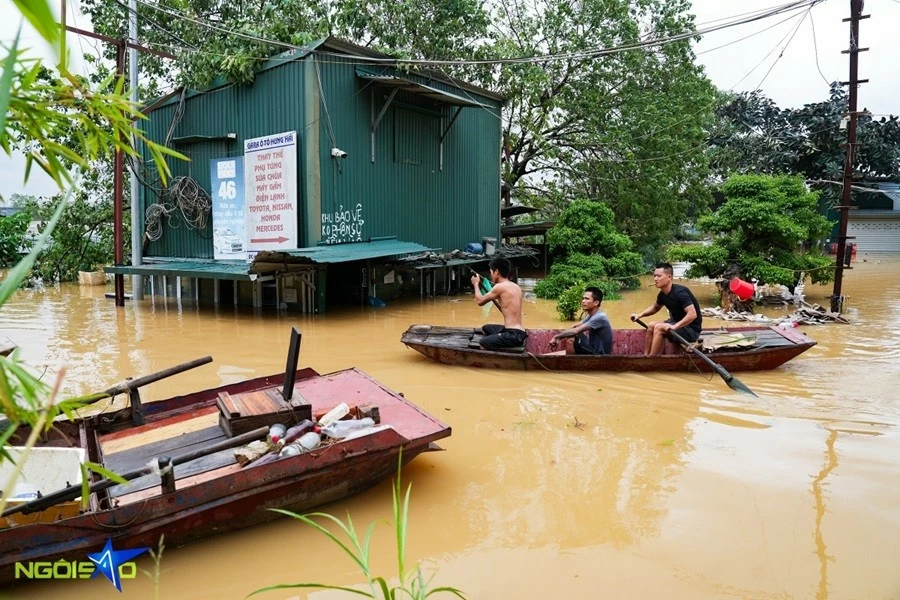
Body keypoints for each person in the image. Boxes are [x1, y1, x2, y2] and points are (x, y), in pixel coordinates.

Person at [630, 262, 702, 356]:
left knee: (659, 328)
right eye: (655, 276)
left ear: (669, 277)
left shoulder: (680, 292)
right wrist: (639, 315)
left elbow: (692, 314)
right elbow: (655, 308)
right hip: (676, 323)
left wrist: (674, 326)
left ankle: (651, 359)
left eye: (659, 276)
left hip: (691, 330)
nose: (655, 279)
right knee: (651, 325)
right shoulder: (662, 294)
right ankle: (645, 356)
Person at [471, 257, 527, 350]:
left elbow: (480, 301)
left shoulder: (499, 287)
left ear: (496, 272)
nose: (491, 275)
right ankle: (499, 338)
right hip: (518, 331)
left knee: (483, 342)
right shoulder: (515, 286)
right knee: (486, 328)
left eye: (491, 272)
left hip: (513, 334)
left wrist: (476, 284)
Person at [549, 286, 613, 355]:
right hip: (593, 347)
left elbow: (575, 331)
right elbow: (575, 326)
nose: (583, 301)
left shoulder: (600, 317)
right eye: (583, 298)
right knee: (571, 334)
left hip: (600, 354)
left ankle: (569, 363)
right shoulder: (590, 315)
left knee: (571, 339)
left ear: (596, 302)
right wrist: (560, 337)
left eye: (587, 299)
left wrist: (557, 337)